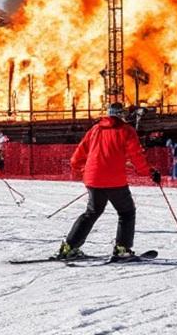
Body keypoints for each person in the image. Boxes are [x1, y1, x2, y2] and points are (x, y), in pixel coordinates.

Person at [54, 103, 159, 261]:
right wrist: (150, 172)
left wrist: (86, 171)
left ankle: (69, 247)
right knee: (126, 212)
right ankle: (122, 248)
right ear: (122, 115)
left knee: (92, 212)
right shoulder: (126, 130)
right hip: (114, 180)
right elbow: (137, 157)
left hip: (93, 179)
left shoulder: (96, 129)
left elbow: (77, 157)